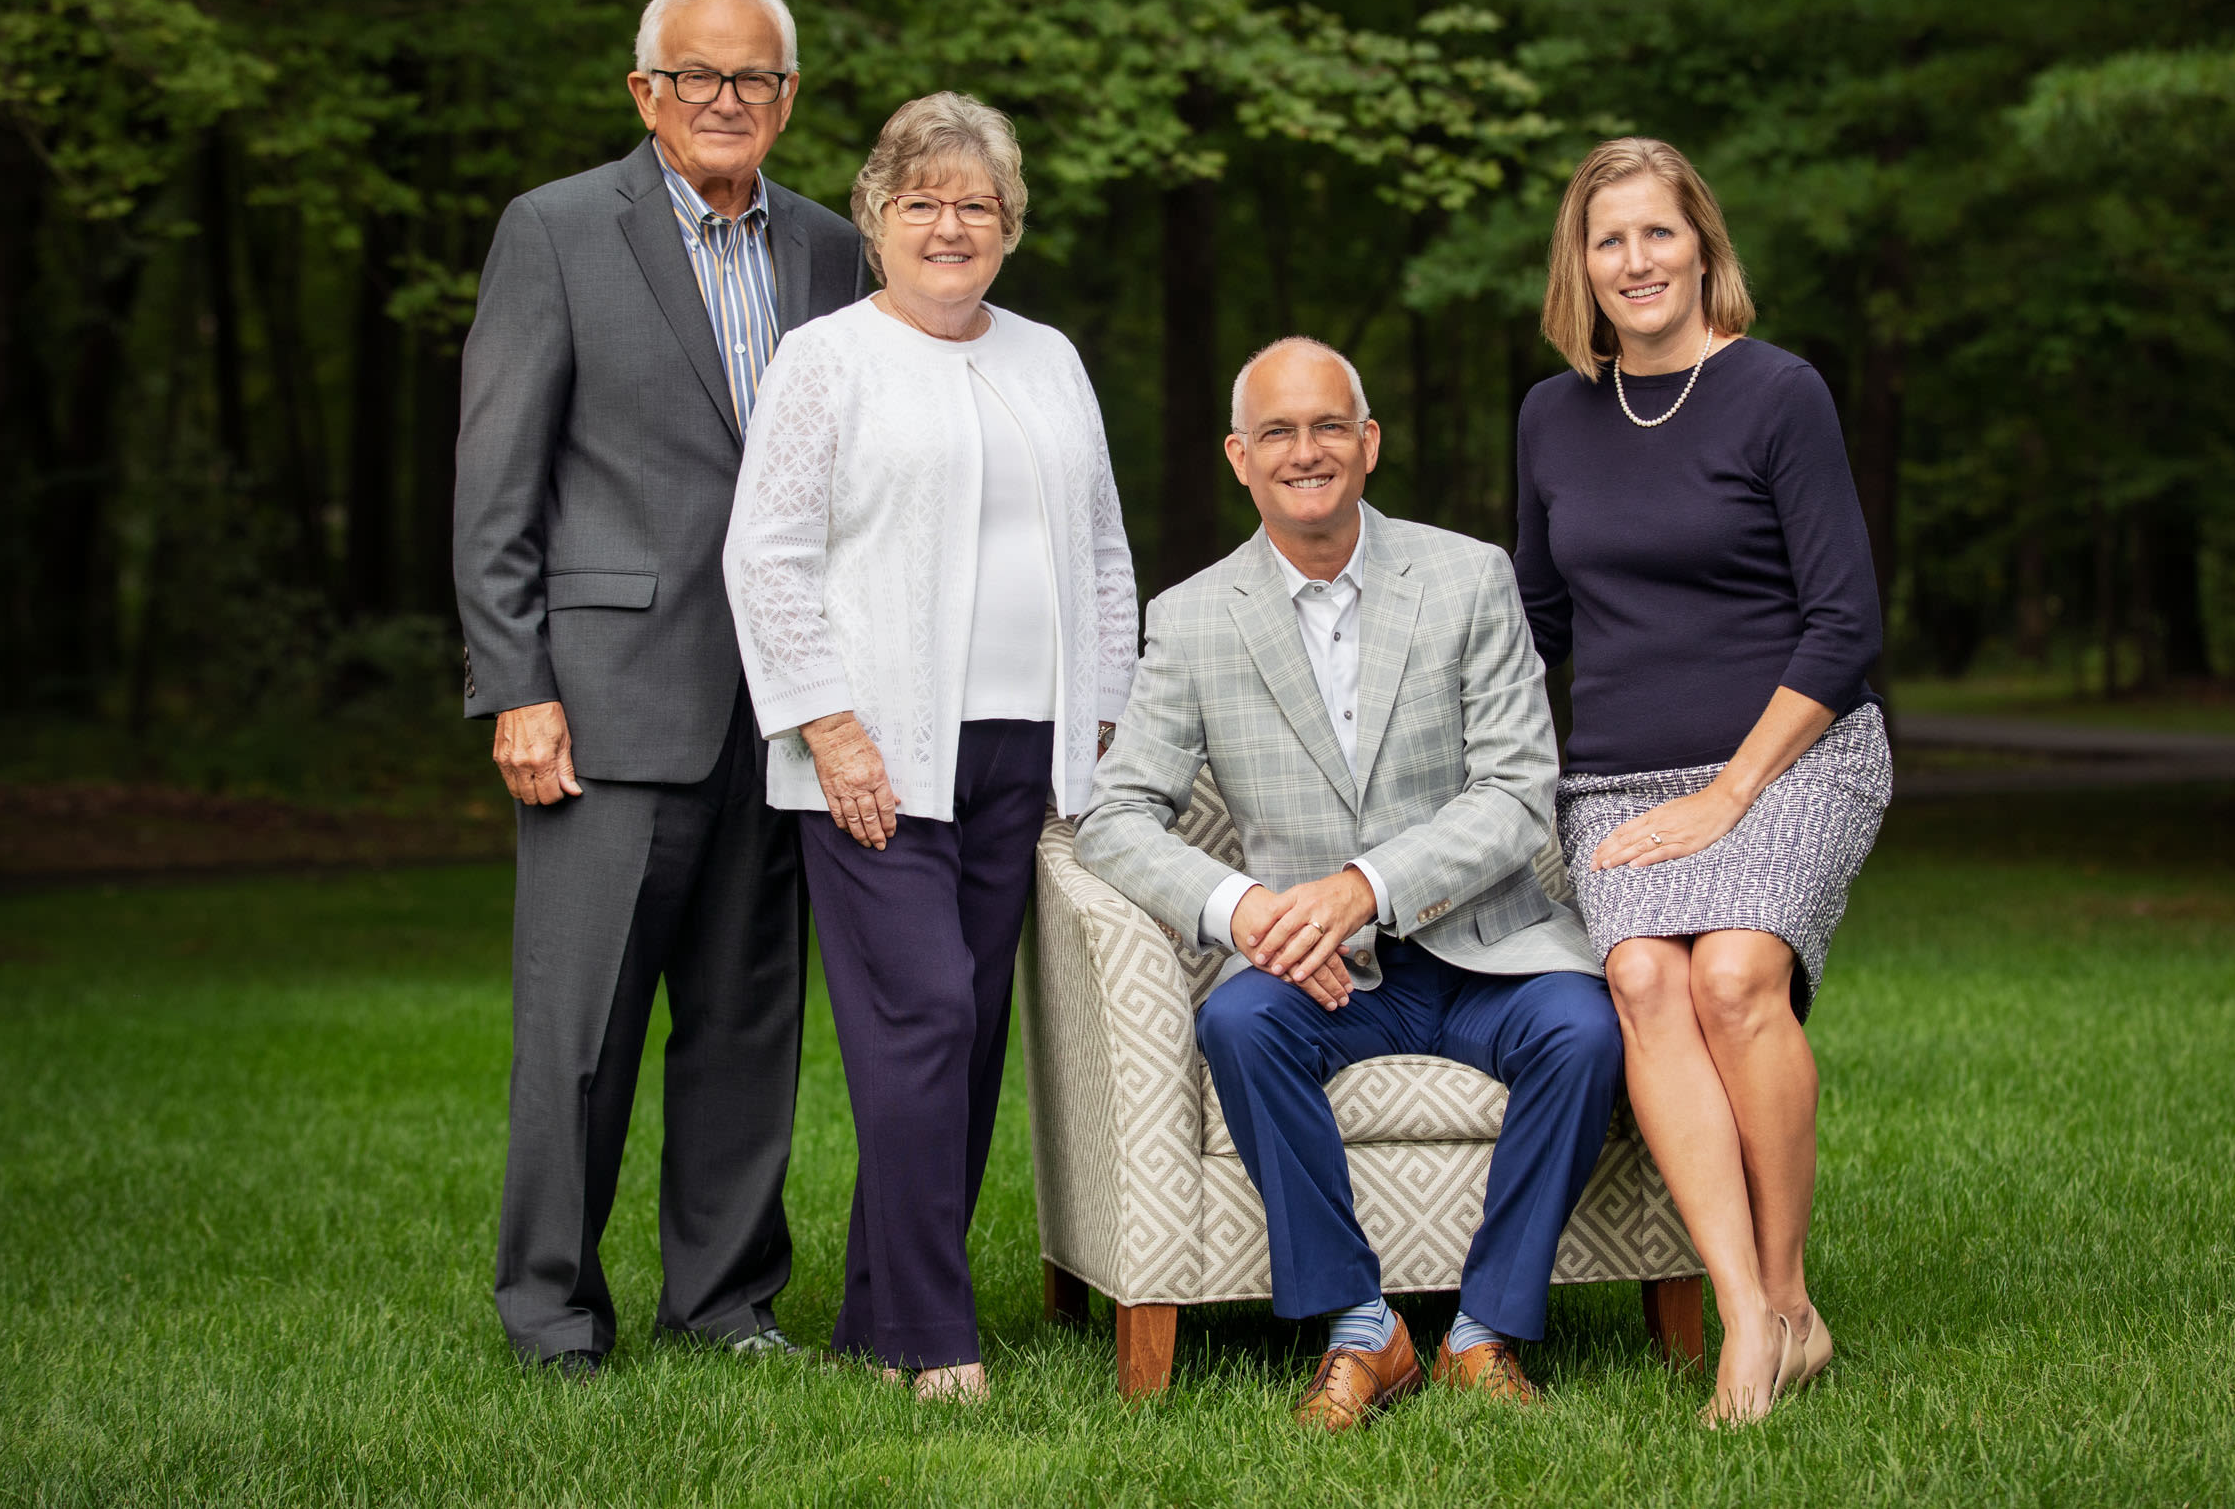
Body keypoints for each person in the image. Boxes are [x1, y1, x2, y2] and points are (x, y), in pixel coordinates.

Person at [1076, 337, 1621, 1431]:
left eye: (1329, 425)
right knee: (1237, 1021)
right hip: (1315, 974)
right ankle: (1365, 1327)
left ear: (1368, 443)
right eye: (1276, 431)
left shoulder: (1468, 578)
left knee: (1587, 1029)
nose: (1305, 450)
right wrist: (1251, 912)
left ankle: (1485, 1331)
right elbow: (1113, 815)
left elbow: (1519, 790)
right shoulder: (1190, 617)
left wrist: (1362, 888)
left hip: (1486, 949)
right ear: (1240, 457)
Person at [455, 0, 868, 1374]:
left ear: (788, 99)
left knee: (749, 1028)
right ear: (645, 91)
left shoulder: (830, 248)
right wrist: (516, 680)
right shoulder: (558, 231)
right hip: (608, 700)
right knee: (578, 1040)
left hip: (783, 709)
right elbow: (496, 478)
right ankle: (553, 1315)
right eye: (695, 77)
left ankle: (727, 1303)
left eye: (752, 80)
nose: (724, 102)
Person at [723, 90, 1137, 1403]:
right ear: (875, 217)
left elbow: (1105, 550)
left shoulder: (1051, 356)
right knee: (925, 1018)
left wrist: (1110, 710)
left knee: (963, 1041)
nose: (949, 224)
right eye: (922, 202)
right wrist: (829, 725)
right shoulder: (825, 360)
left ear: (1009, 227)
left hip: (1028, 754)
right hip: (878, 754)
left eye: (975, 204)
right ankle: (930, 1334)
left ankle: (875, 1309)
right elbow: (767, 553)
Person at [1515, 136, 1890, 1426]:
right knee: (1641, 975)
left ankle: (1790, 1299)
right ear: (1581, 265)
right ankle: (1741, 1312)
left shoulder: (1780, 393)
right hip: (1619, 774)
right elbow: (1536, 621)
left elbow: (1844, 627)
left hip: (1792, 755)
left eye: (1657, 233)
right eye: (1607, 239)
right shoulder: (1552, 414)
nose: (1635, 260)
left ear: (1701, 244)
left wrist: (1731, 792)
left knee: (1734, 973)